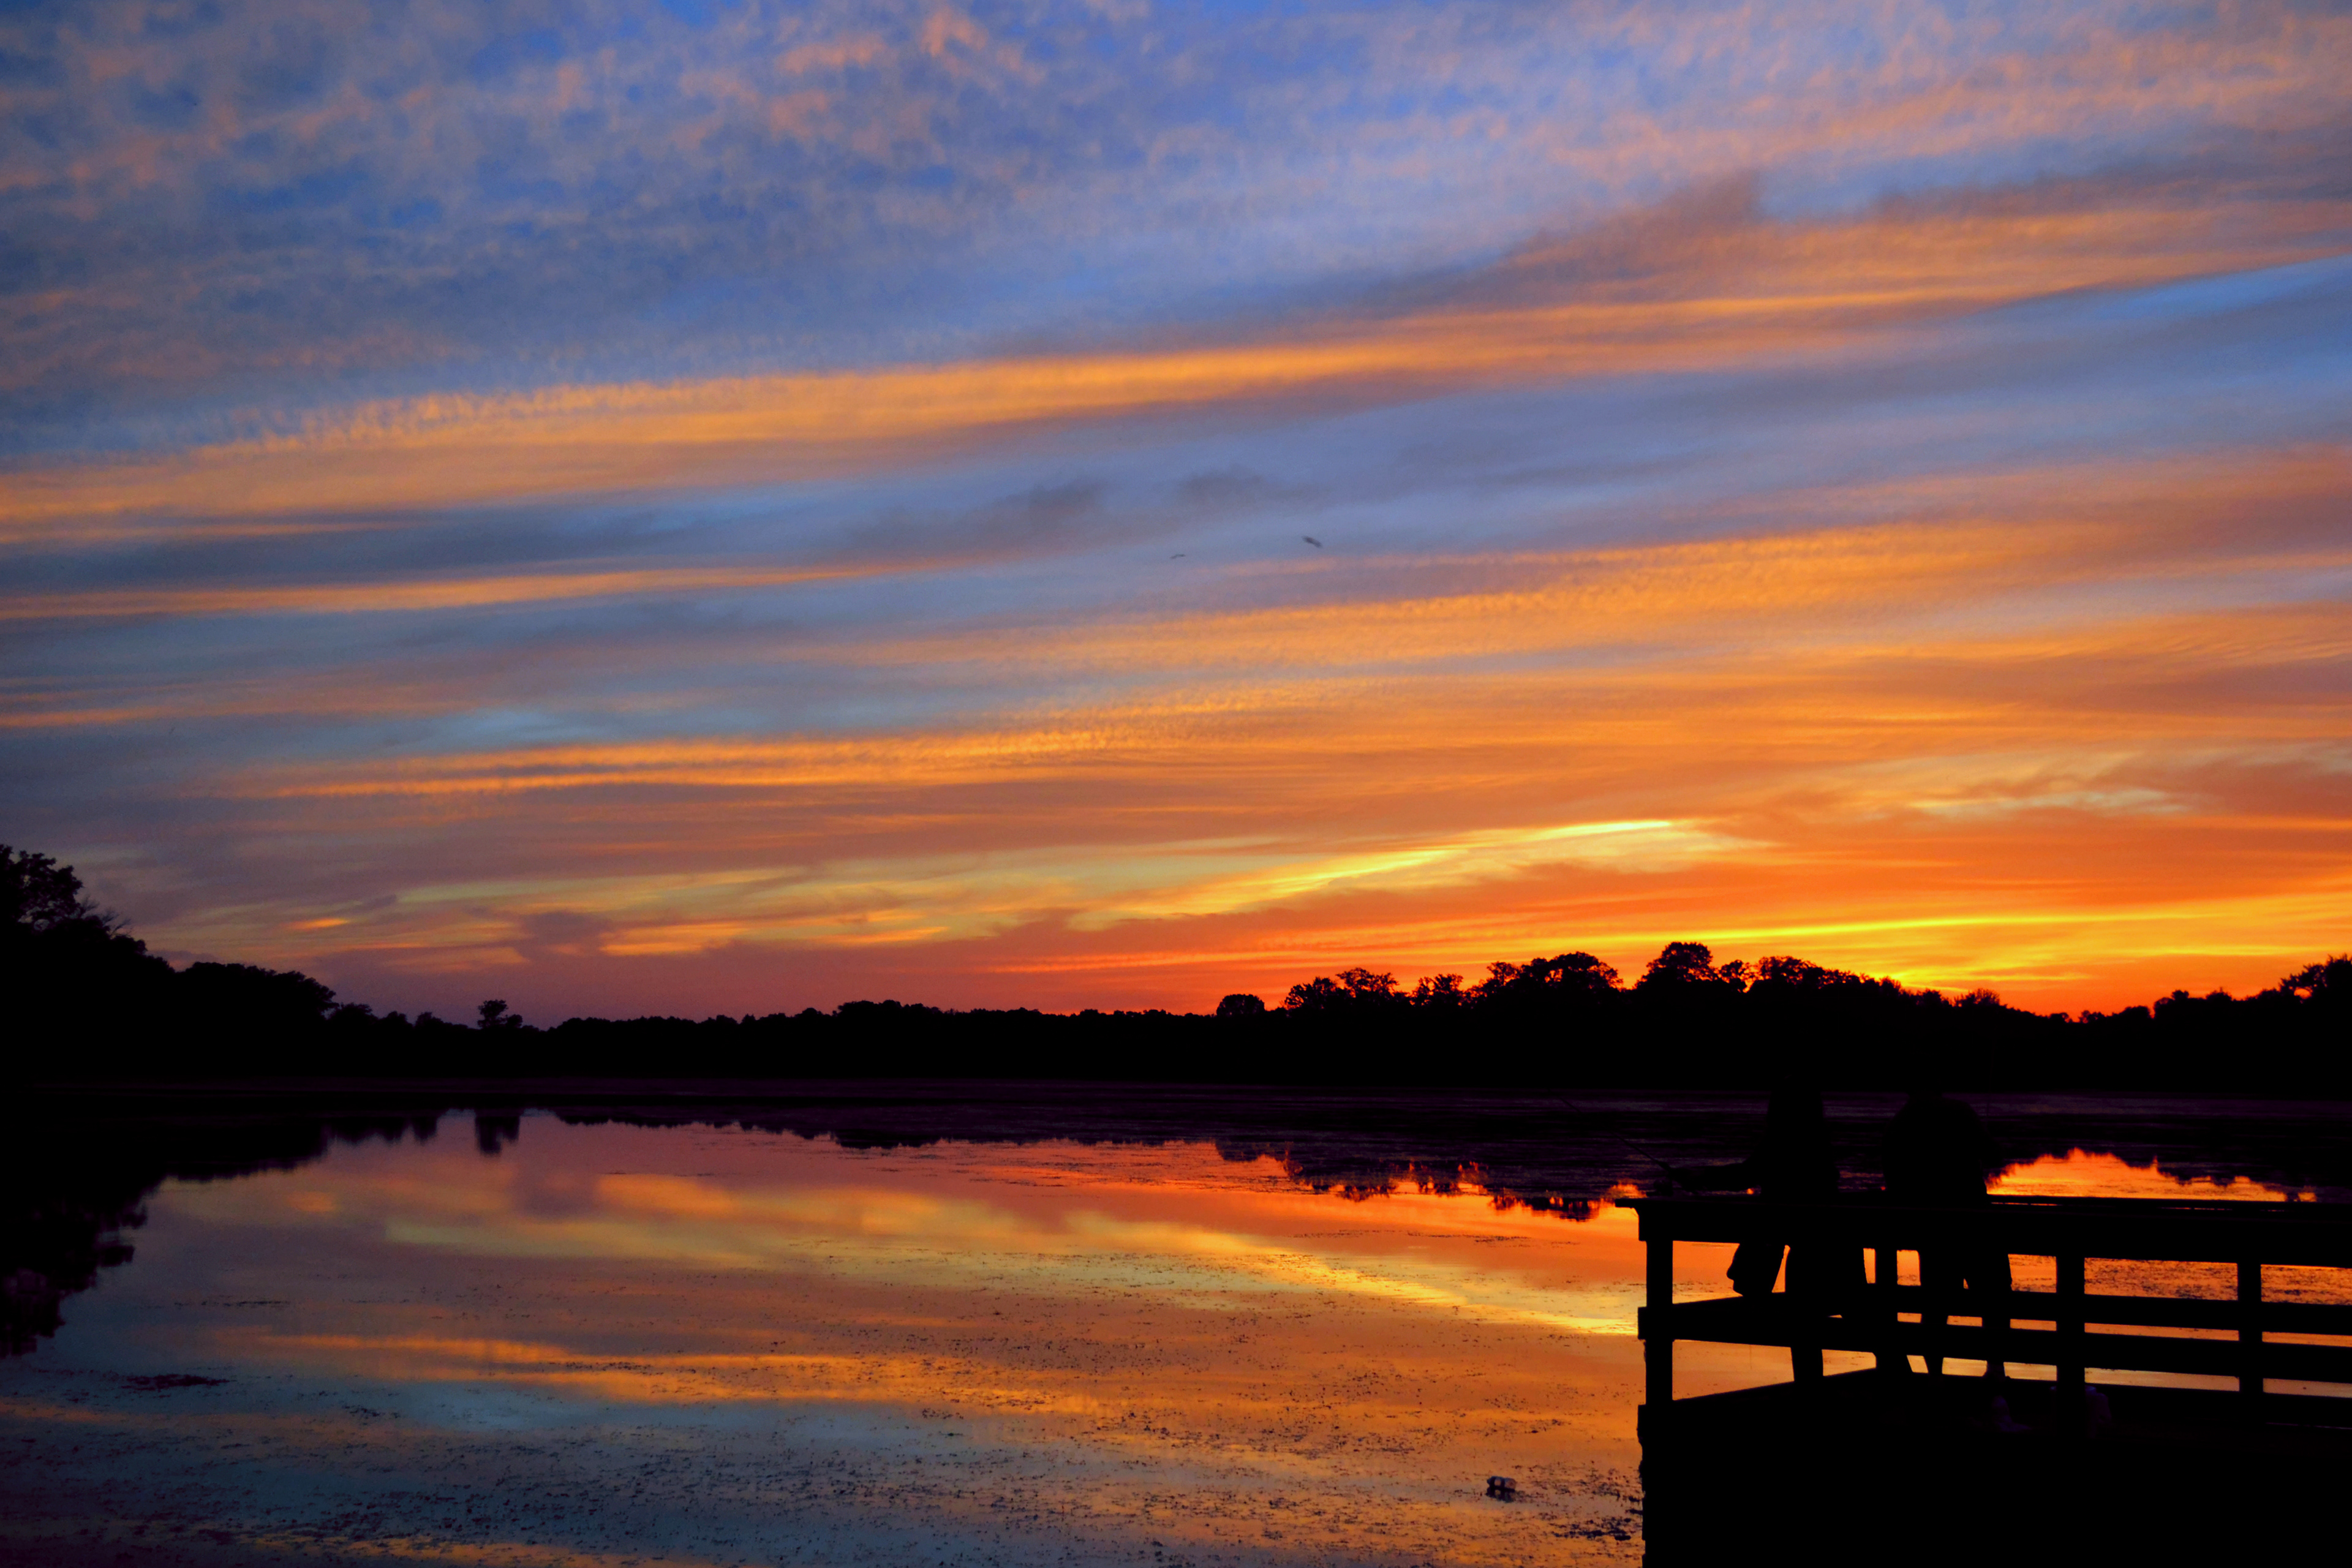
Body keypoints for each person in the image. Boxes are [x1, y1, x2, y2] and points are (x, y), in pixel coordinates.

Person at [1674, 1085, 1860, 1381]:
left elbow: (1745, 1175)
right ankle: (1901, 1384)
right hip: (1840, 1243)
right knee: (1860, 1319)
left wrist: (1699, 1176)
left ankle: (1810, 1394)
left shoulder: (1781, 1140)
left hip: (1808, 1248)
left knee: (1804, 1327)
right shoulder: (1818, 1140)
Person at [1884, 1084, 2008, 1379]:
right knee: (1995, 1296)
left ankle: (1935, 1378)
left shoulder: (1900, 1122)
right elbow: (1994, 1156)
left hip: (1932, 1229)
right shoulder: (1960, 1111)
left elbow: (1893, 1179)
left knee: (1936, 1305)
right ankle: (1995, 1371)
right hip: (1975, 1222)